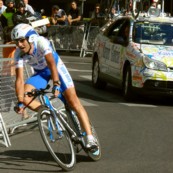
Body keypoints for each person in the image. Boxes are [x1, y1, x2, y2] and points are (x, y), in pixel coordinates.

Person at [11, 23, 98, 150]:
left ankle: (91, 138)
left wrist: (56, 84)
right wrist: (20, 102)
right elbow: (19, 80)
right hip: (40, 74)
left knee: (73, 102)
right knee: (24, 97)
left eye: (22, 40)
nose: (19, 45)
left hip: (56, 68)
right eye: (16, 42)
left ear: (30, 38)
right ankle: (48, 112)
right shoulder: (18, 53)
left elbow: (51, 64)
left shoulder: (41, 42)